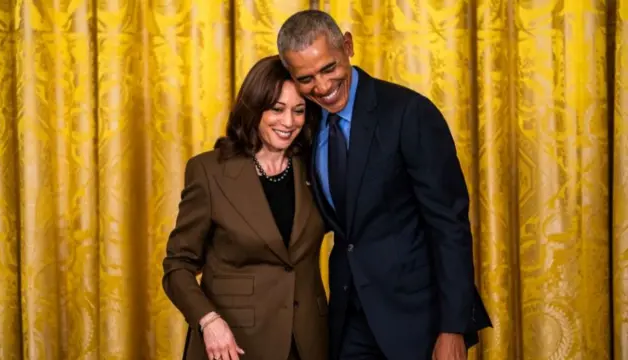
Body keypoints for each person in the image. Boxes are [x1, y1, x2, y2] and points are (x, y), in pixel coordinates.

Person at [276, 10, 492, 360]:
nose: (323, 87)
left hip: (418, 320)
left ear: (347, 46)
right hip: (349, 319)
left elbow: (449, 225)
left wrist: (452, 328)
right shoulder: (305, 123)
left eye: (329, 68)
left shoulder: (409, 113)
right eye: (306, 78)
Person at [162, 55, 328, 360]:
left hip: (307, 343)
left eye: (299, 110)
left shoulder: (318, 168)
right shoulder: (209, 171)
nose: (288, 122)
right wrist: (208, 321)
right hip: (232, 345)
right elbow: (177, 266)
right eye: (277, 109)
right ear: (254, 109)